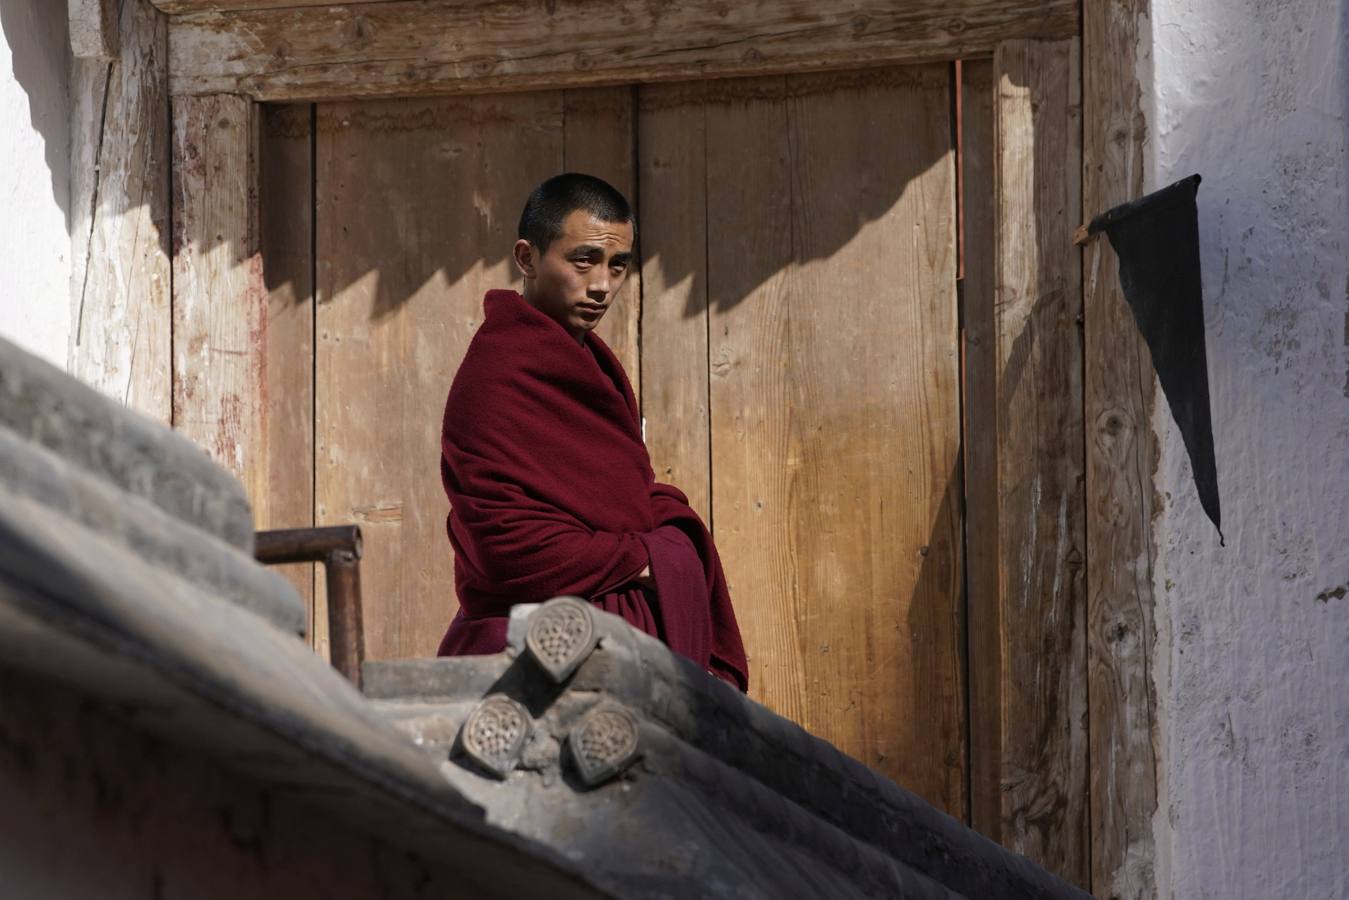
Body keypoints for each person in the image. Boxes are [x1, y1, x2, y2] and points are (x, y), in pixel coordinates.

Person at [435, 173, 748, 691]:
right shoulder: (499, 372)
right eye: (583, 260)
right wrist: (646, 555)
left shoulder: (590, 362)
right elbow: (501, 543)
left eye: (618, 265)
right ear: (527, 257)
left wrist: (661, 536)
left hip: (608, 621)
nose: (602, 285)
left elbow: (623, 493)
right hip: (536, 637)